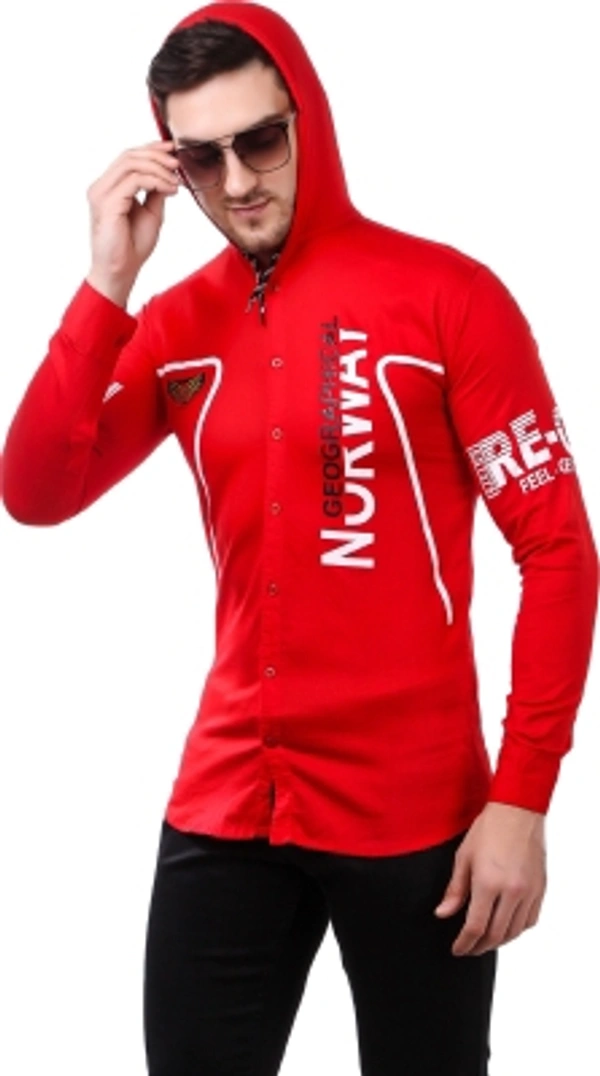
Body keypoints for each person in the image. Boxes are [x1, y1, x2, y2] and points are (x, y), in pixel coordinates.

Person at [2, 2, 597, 1074]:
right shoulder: (176, 324)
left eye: (261, 140)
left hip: (418, 817)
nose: (237, 182)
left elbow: (557, 551)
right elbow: (36, 493)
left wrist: (521, 796)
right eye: (202, 157)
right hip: (229, 800)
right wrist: (107, 284)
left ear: (308, 119)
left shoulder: (451, 297)